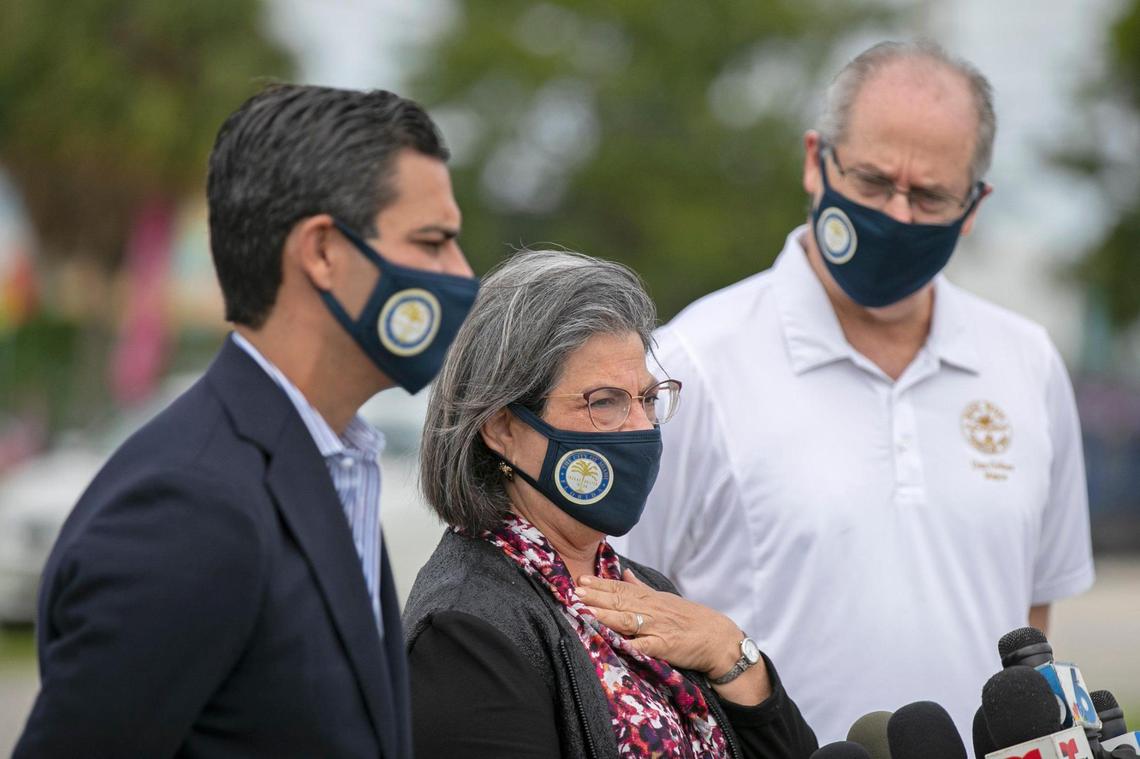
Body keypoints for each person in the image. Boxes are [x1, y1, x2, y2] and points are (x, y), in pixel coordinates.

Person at [613, 40, 1095, 745]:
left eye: (930, 194)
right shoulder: (689, 366)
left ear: (974, 205)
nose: (897, 216)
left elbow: (1031, 614)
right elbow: (617, 609)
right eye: (872, 182)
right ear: (816, 161)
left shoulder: (1027, 364)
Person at [16, 85, 477, 758]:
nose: (461, 273)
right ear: (321, 251)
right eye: (432, 241)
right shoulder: (189, 506)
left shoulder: (333, 462)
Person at [402, 249, 819, 758]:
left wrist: (733, 654)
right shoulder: (465, 631)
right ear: (502, 428)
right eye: (604, 403)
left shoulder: (645, 592)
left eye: (646, 399)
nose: (641, 427)